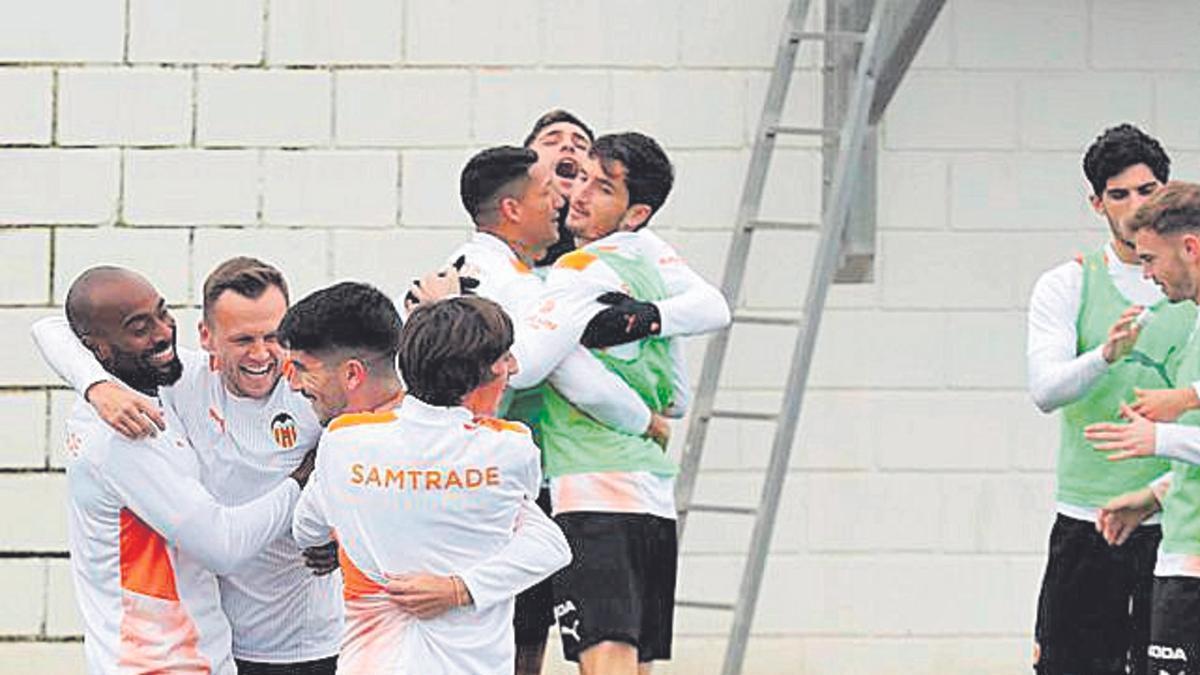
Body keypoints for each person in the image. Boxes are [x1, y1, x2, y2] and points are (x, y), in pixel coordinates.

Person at [34, 258, 343, 674]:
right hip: (195, 651)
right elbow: (50, 328)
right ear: (207, 338)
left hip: (308, 646)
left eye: (274, 337)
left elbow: (382, 434)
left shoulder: (313, 389)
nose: (260, 354)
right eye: (242, 339)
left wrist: (342, 526)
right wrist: (96, 385)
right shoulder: (171, 389)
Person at [508, 132, 732, 673]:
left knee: (605, 658)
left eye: (602, 188)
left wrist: (491, 330)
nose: (580, 194)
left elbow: (534, 366)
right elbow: (677, 396)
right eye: (582, 178)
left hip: (594, 485)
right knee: (633, 662)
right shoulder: (650, 262)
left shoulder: (578, 270)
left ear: (635, 214)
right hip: (650, 489)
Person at [281, 283, 571, 674]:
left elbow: (307, 529)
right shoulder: (511, 447)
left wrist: (351, 531)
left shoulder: (344, 440)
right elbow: (548, 544)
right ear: (479, 374)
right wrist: (460, 588)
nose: (514, 368)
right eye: (505, 358)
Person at [1025, 124, 1194, 675]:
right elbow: (1045, 390)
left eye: (1147, 191)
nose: (1135, 206)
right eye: (1118, 195)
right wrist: (1104, 356)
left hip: (1174, 524)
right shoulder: (1069, 284)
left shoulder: (1188, 284)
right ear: (1098, 204)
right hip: (1090, 520)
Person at [1083, 182, 1200, 674]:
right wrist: (1155, 495)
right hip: (1182, 558)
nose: (1146, 273)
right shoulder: (1194, 324)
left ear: (1190, 248)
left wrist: (1158, 439)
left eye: (1150, 259)